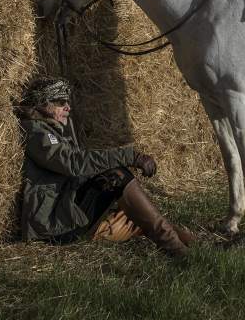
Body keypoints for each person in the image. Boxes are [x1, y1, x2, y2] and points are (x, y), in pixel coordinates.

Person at [16, 76, 194, 256]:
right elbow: (73, 163)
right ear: (43, 104)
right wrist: (130, 156)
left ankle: (190, 243)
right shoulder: (36, 133)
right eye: (61, 102)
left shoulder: (51, 131)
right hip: (54, 227)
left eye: (67, 102)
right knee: (117, 176)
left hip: (63, 209)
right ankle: (177, 250)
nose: (68, 107)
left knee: (128, 205)